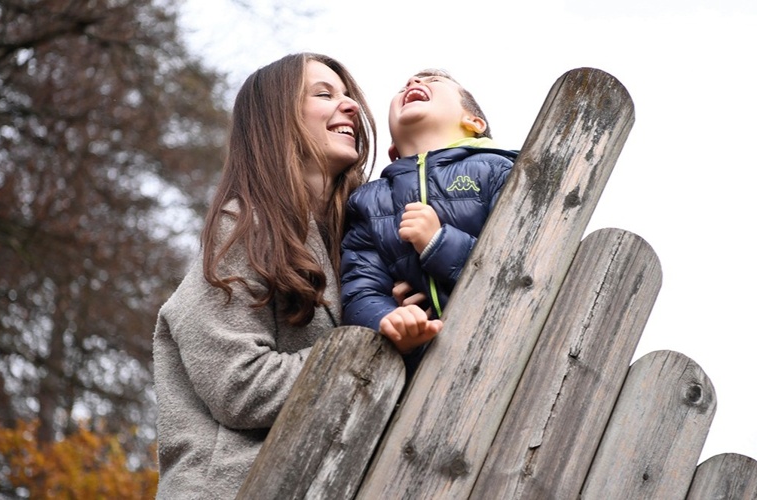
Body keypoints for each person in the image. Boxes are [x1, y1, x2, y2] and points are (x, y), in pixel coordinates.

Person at [152, 52, 376, 499]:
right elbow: (240, 386)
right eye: (324, 94)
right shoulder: (243, 228)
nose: (350, 105)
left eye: (349, 95)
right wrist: (372, 354)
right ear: (277, 120)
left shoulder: (355, 244)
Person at [340, 69, 518, 362]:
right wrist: (390, 320)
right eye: (403, 86)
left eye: (433, 81)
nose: (412, 82)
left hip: (507, 345)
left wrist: (438, 243)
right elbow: (360, 288)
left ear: (474, 122)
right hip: (423, 367)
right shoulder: (368, 201)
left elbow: (520, 264)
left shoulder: (499, 171)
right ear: (393, 151)